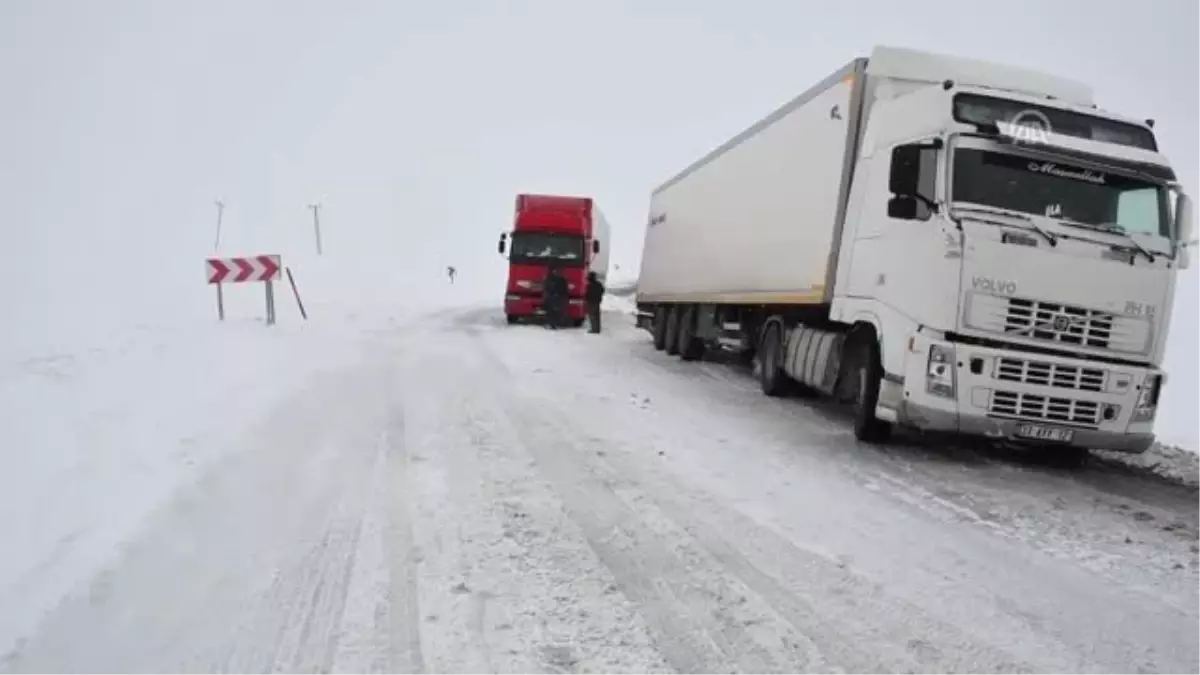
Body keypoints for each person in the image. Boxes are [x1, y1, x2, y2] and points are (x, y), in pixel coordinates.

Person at [542, 264, 568, 329]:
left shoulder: (552, 278)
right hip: (553, 297)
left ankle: (553, 324)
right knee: (552, 311)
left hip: (555, 297)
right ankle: (553, 324)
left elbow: (564, 289)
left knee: (554, 311)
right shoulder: (560, 279)